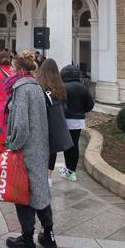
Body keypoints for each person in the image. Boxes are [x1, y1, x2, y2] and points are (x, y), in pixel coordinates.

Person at [5, 51, 57, 248]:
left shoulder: (21, 88)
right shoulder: (37, 87)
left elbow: (21, 126)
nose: (9, 71)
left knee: (23, 194)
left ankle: (27, 238)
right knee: (40, 192)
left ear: (19, 70)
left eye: (12, 67)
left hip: (25, 151)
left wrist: (12, 145)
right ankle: (49, 235)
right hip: (40, 148)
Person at [35, 59, 73, 187]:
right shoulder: (59, 85)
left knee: (41, 147)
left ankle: (39, 174)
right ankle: (49, 176)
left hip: (40, 119)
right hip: (55, 121)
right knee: (52, 149)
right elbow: (63, 102)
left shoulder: (38, 83)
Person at [56, 64, 94, 182]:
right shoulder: (83, 87)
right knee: (75, 145)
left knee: (66, 145)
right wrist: (81, 111)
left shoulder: (63, 87)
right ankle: (72, 172)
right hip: (78, 121)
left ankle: (68, 169)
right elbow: (90, 105)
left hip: (65, 120)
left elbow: (58, 103)